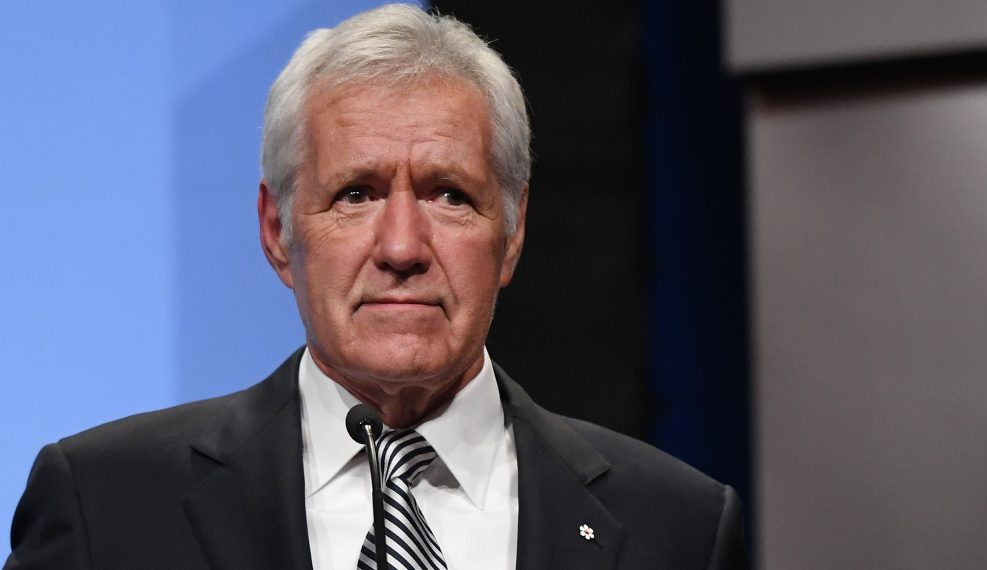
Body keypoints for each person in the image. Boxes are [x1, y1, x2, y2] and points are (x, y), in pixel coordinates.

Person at [6, 4, 748, 569]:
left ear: (513, 231)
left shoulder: (676, 526)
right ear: (276, 229)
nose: (401, 248)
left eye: (449, 195)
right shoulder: (106, 508)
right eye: (355, 194)